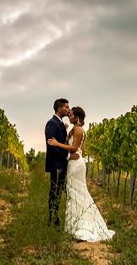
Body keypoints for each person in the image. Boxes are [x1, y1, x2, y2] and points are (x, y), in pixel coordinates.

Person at [48, 106, 115, 242]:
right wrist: (66, 131)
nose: (69, 116)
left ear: (77, 117)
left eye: (71, 115)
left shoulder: (78, 130)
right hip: (74, 162)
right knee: (73, 192)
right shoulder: (74, 129)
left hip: (76, 165)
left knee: (77, 192)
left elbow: (74, 148)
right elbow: (71, 145)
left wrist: (57, 144)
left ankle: (82, 224)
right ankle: (76, 224)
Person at [44, 98, 78, 228]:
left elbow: (61, 143)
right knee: (54, 192)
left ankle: (55, 218)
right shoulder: (51, 123)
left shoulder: (59, 123)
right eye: (66, 107)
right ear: (59, 108)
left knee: (58, 191)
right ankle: (52, 220)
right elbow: (52, 146)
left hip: (61, 164)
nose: (69, 110)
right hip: (56, 164)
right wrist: (69, 155)